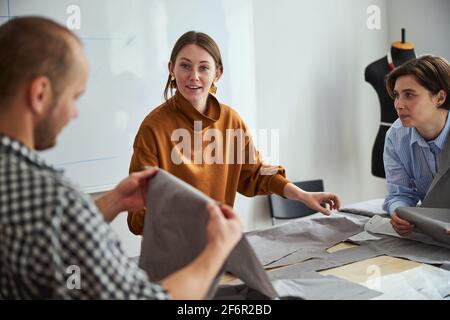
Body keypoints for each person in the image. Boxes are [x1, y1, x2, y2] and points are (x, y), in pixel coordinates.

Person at [0, 17, 243, 299]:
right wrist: (217, 249)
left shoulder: (30, 193)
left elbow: (42, 241)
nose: (75, 112)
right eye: (74, 97)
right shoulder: (54, 201)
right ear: (40, 94)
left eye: (204, 67)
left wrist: (113, 202)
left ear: (217, 74)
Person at [127, 31, 341, 235]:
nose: (194, 76)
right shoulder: (153, 128)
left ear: (217, 74)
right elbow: (137, 216)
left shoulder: (230, 121)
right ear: (171, 69)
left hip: (219, 247)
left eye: (203, 68)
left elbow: (257, 174)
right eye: (185, 66)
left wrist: (302, 196)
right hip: (172, 254)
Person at [382, 55, 450, 236]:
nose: (398, 105)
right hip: (434, 229)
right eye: (397, 95)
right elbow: (399, 193)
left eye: (409, 95)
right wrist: (398, 212)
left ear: (439, 98)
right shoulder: (395, 137)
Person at [365, 31, 416, 178]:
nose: (399, 105)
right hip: (385, 137)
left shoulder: (427, 70)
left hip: (416, 139)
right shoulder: (374, 69)